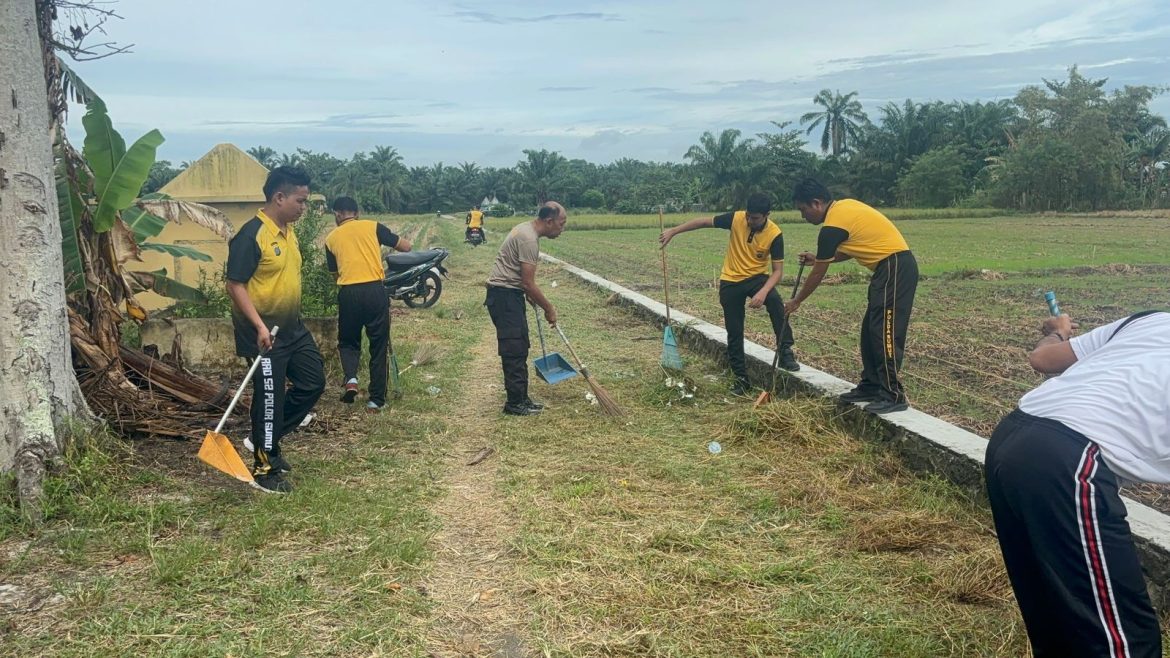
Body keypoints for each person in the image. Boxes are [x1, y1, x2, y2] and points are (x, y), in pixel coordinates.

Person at [986, 310, 1168, 658]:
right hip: (1069, 462)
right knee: (1123, 641)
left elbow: (1043, 357)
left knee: (1058, 624)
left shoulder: (1150, 319)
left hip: (1014, 435)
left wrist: (1058, 332)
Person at [226, 166, 326, 494]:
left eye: (306, 201)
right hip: (263, 334)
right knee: (270, 399)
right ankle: (265, 468)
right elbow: (235, 284)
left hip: (293, 329)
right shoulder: (251, 234)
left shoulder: (287, 231)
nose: (304, 207)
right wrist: (258, 326)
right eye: (300, 200)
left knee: (313, 383)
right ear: (279, 197)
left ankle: (263, 440)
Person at [786, 178, 917, 414]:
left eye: (803, 210)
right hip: (887, 268)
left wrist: (797, 301)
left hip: (895, 267)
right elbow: (846, 251)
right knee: (870, 330)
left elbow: (819, 272)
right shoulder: (843, 209)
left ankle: (892, 394)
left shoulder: (832, 225)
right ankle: (870, 385)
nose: (803, 216)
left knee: (885, 331)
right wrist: (818, 257)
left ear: (816, 203)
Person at [659, 192, 798, 396]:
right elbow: (703, 222)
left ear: (767, 214)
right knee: (734, 331)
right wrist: (674, 231)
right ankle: (741, 379)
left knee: (776, 302)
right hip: (731, 280)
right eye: (749, 216)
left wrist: (763, 292)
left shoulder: (775, 234)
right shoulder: (737, 218)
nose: (750, 221)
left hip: (757, 278)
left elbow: (777, 271)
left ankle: (785, 350)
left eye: (755, 218)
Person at [324, 196, 412, 413]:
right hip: (374, 291)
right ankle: (376, 400)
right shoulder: (373, 227)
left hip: (348, 293)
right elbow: (406, 247)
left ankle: (351, 379)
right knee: (378, 345)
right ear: (357, 212)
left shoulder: (330, 238)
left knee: (348, 342)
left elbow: (334, 274)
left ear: (337, 214)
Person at [485, 201, 567, 415]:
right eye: (561, 223)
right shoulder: (529, 239)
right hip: (504, 296)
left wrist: (528, 295)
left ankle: (522, 397)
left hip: (508, 294)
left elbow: (522, 282)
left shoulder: (525, 229)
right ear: (549, 221)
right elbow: (528, 283)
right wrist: (549, 308)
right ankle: (514, 404)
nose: (562, 229)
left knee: (520, 345)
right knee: (514, 348)